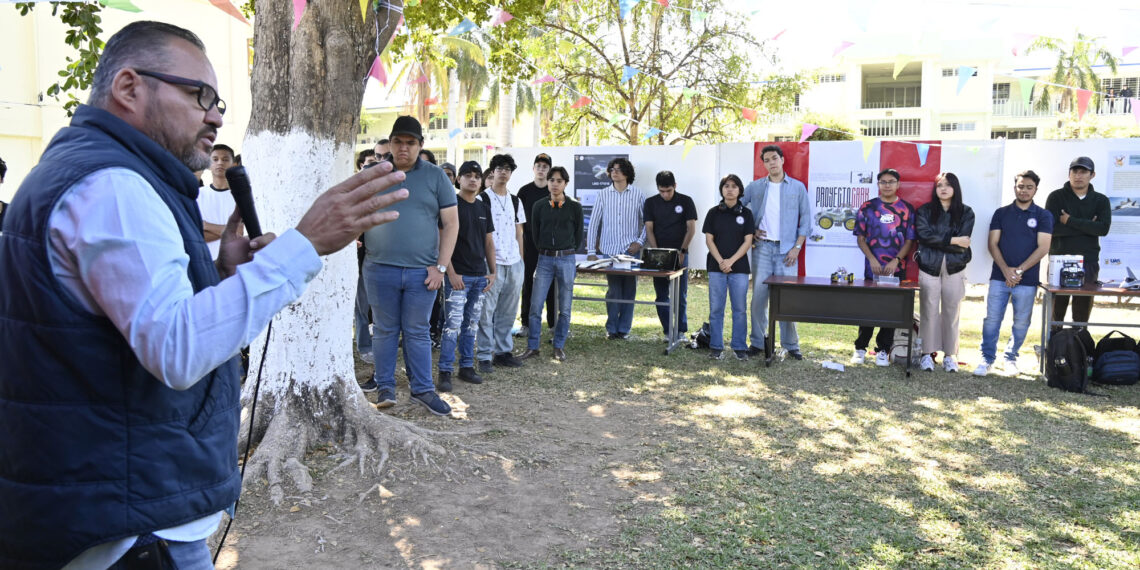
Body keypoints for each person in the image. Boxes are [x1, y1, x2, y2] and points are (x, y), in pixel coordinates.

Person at [0, 21, 410, 569]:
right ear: (129, 88)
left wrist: (219, 274)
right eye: (200, 96)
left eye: (217, 101)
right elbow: (176, 349)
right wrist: (304, 243)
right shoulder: (114, 186)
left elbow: (117, 325)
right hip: (131, 528)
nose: (216, 116)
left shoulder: (97, 173)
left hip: (119, 505)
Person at [363, 115, 459, 416]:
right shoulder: (373, 174)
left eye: (410, 143)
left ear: (420, 145)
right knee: (384, 330)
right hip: (379, 268)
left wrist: (441, 268)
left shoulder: (435, 176)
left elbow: (452, 223)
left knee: (417, 331)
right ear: (390, 143)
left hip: (424, 272)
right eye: (398, 142)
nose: (403, 148)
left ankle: (422, 390)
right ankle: (385, 387)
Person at [975, 170, 1053, 376]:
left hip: (1026, 280)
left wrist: (1018, 271)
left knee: (1021, 322)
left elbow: (1043, 247)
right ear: (1014, 187)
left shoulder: (1043, 215)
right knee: (992, 319)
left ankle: (1010, 358)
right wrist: (1006, 270)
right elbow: (992, 244)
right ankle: (987, 358)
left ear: (1036, 189)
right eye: (1021, 186)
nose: (1024, 191)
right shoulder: (1001, 213)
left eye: (1029, 187)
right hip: (1000, 277)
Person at [741, 145, 812, 360]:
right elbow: (738, 210)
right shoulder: (754, 187)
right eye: (767, 160)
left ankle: (791, 345)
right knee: (759, 298)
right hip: (762, 248)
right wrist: (751, 231)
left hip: (788, 251)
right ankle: (757, 342)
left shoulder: (798, 187)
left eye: (775, 158)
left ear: (782, 160)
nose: (772, 163)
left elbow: (806, 220)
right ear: (763, 164)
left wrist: (797, 248)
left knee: (786, 299)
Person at [437, 161, 496, 391]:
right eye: (468, 175)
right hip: (457, 277)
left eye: (477, 176)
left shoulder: (483, 208)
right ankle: (444, 371)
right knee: (452, 326)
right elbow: (442, 241)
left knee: (471, 325)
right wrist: (450, 273)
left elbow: (489, 242)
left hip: (480, 278)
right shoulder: (451, 205)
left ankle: (466, 367)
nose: (473, 179)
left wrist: (492, 272)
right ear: (458, 179)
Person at [851, 169, 917, 366]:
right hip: (873, 269)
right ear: (878, 184)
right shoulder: (868, 207)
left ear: (898, 184)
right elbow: (861, 238)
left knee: (891, 309)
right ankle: (860, 348)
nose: (887, 185)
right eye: (883, 182)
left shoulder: (907, 209)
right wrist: (872, 259)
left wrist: (896, 260)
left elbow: (909, 240)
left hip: (896, 268)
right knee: (868, 307)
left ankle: (883, 350)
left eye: (891, 181)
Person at [520, 166, 583, 361]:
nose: (555, 184)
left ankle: (558, 345)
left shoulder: (574, 206)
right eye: (551, 180)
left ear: (565, 184)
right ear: (547, 182)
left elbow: (579, 235)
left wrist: (566, 249)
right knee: (535, 305)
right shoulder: (539, 205)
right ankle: (533, 346)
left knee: (564, 307)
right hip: (544, 259)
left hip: (566, 258)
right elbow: (535, 234)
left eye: (559, 181)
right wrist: (545, 249)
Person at [914, 172, 974, 373]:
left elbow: (963, 244)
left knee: (951, 311)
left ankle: (950, 355)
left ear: (955, 188)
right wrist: (953, 240)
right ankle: (926, 355)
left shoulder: (966, 212)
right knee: (928, 311)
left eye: (948, 185)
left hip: (955, 266)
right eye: (940, 185)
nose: (944, 188)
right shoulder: (924, 211)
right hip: (929, 266)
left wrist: (945, 240)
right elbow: (924, 236)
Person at [1045, 156, 1110, 330]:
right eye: (1075, 171)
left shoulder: (1100, 200)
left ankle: (1079, 350)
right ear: (1069, 174)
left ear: (1092, 175)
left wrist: (1070, 220)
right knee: (1055, 313)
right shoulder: (1056, 197)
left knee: (1081, 314)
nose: (1078, 175)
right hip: (1059, 259)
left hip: (1087, 261)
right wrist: (1089, 225)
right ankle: (1054, 351)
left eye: (1083, 172)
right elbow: (1051, 228)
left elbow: (1103, 229)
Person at [586, 157, 647, 339]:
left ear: (627, 173)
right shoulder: (603, 194)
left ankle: (624, 330)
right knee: (614, 290)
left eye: (619, 169)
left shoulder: (638, 194)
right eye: (612, 169)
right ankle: (611, 328)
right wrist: (591, 251)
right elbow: (594, 222)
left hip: (631, 252)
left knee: (629, 291)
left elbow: (646, 223)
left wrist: (640, 242)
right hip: (609, 251)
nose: (614, 172)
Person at [476, 154, 527, 371]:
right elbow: (478, 234)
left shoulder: (515, 200)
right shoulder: (482, 199)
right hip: (491, 262)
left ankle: (503, 351)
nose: (504, 172)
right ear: (492, 172)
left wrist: (521, 261)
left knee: (508, 310)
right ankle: (485, 355)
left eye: (508, 169)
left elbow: (519, 231)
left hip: (514, 262)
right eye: (500, 168)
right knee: (486, 311)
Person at [703, 175, 755, 360]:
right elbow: (709, 240)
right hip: (716, 268)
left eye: (734, 186)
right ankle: (716, 347)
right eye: (726, 186)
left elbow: (748, 241)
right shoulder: (713, 213)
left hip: (739, 268)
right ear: (722, 189)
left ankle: (739, 347)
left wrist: (730, 261)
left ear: (740, 190)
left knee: (739, 309)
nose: (730, 189)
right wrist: (721, 262)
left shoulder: (746, 214)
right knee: (716, 308)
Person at [644, 170, 698, 342]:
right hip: (659, 254)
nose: (665, 194)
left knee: (680, 294)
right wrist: (656, 252)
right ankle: (668, 331)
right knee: (661, 295)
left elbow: (691, 228)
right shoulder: (651, 202)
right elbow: (649, 229)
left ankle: (681, 331)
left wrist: (682, 250)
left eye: (668, 190)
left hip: (680, 253)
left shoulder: (686, 201)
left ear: (675, 186)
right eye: (662, 191)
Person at [517, 153, 557, 339]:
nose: (541, 169)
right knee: (528, 283)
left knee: (550, 284)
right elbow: (518, 222)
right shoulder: (524, 191)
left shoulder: (553, 192)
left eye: (545, 166)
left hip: (549, 246)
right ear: (533, 169)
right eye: (538, 166)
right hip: (528, 245)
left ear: (549, 170)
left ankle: (553, 324)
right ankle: (525, 323)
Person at [353, 148, 379, 363]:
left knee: (380, 309)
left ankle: (380, 344)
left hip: (381, 260)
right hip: (360, 262)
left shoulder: (388, 198)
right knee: (361, 307)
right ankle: (364, 346)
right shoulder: (355, 200)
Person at [196, 142, 237, 259]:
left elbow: (242, 231)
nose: (220, 162)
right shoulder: (198, 195)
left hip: (235, 261)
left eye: (225, 159)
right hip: (206, 260)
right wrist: (230, 231)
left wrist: (206, 225)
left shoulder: (241, 196)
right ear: (208, 164)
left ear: (233, 164)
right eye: (215, 159)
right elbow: (196, 236)